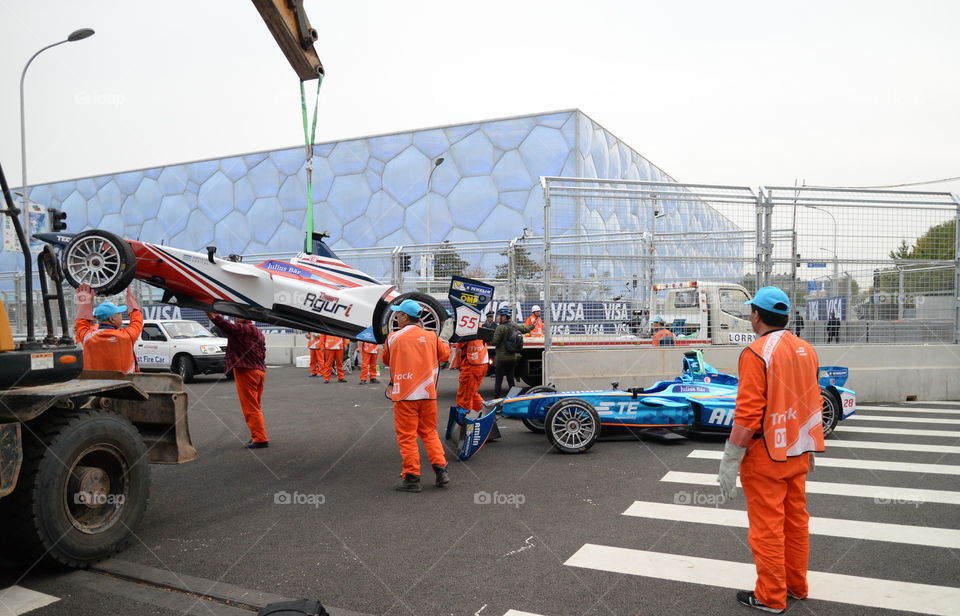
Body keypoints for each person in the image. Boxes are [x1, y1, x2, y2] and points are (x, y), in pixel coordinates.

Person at [716, 286, 823, 614]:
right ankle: (796, 585)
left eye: (751, 311)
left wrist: (731, 457)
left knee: (767, 528)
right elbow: (809, 403)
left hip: (766, 456)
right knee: (795, 522)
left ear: (757, 315)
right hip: (798, 452)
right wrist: (810, 446)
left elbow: (748, 414)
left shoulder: (756, 352)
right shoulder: (806, 349)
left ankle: (771, 596)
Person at [380, 299, 451, 492]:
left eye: (398, 314)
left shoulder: (393, 337)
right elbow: (445, 355)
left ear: (405, 316)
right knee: (429, 432)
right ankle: (441, 470)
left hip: (404, 395)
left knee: (407, 437)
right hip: (428, 394)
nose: (396, 317)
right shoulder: (431, 336)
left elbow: (384, 360)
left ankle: (412, 478)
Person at [207, 312, 269, 449]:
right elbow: (263, 350)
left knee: (250, 407)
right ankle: (258, 435)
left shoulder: (241, 329)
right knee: (256, 406)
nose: (234, 317)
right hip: (260, 371)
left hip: (246, 371)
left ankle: (260, 438)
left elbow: (226, 326)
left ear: (244, 317)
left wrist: (212, 315)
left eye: (237, 315)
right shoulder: (258, 331)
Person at [74, 283, 143, 373]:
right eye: (119, 313)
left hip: (95, 383)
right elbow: (137, 321)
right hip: (125, 383)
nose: (121, 316)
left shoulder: (88, 337)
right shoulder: (127, 336)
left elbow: (81, 323)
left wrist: (84, 303)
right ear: (112, 319)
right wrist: (131, 300)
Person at [490, 307, 534, 398]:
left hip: (501, 359)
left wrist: (487, 339)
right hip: (512, 358)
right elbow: (525, 330)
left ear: (505, 317)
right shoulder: (514, 325)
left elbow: (494, 342)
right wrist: (533, 325)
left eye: (500, 316)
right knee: (511, 380)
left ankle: (496, 401)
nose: (498, 318)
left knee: (498, 381)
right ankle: (513, 399)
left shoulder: (500, 328)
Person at [456, 337, 488, 412]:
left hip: (471, 365)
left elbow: (459, 343)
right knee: (471, 394)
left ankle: (463, 420)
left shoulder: (468, 330)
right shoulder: (479, 331)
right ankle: (487, 414)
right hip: (480, 362)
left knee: (465, 398)